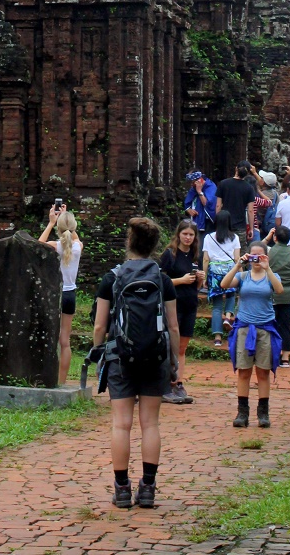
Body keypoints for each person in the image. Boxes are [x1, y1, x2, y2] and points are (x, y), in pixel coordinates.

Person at [92, 218, 180, 509]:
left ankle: (121, 489)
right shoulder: (162, 278)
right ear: (155, 246)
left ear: (128, 241)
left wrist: (98, 353)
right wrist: (174, 363)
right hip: (156, 357)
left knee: (121, 424)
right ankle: (148, 489)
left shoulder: (112, 278)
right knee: (150, 423)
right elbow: (173, 326)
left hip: (121, 357)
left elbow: (99, 327)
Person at [221, 240, 284, 428]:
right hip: (244, 328)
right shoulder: (243, 276)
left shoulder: (271, 276)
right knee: (244, 371)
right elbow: (224, 284)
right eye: (253, 256)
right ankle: (242, 412)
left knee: (263, 372)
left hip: (265, 328)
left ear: (266, 256)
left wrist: (268, 268)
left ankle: (263, 413)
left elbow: (279, 290)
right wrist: (239, 264)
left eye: (260, 255)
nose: (256, 260)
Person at [160, 220, 205, 403]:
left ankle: (178, 382)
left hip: (190, 303)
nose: (188, 238)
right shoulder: (169, 255)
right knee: (170, 343)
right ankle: (167, 382)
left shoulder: (195, 255)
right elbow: (161, 281)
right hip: (173, 302)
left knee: (182, 346)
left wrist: (200, 279)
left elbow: (197, 286)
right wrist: (181, 280)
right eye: (185, 234)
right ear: (178, 234)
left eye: (191, 235)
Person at [39, 203, 84, 384]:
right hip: (69, 295)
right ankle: (61, 381)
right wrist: (66, 220)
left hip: (54, 295)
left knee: (49, 336)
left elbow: (36, 245)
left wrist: (51, 223)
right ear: (73, 228)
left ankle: (46, 377)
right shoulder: (78, 247)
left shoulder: (54, 246)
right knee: (64, 341)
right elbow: (76, 238)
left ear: (58, 229)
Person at [202, 210, 241, 348]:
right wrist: (241, 273)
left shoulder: (208, 238)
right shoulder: (234, 237)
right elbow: (237, 258)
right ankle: (229, 316)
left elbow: (206, 258)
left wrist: (204, 276)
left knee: (217, 305)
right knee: (231, 296)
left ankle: (217, 337)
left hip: (215, 272)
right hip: (230, 271)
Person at [267, 225, 290, 367]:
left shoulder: (269, 252)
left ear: (275, 237)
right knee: (285, 326)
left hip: (271, 294)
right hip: (288, 295)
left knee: (270, 325)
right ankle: (285, 357)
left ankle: (271, 354)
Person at [215, 162, 255, 253]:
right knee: (240, 252)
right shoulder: (249, 188)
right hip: (240, 225)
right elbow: (250, 210)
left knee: (223, 250)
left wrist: (217, 222)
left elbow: (218, 205)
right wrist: (251, 228)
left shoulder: (223, 184)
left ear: (236, 169)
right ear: (248, 173)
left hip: (224, 223)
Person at [183, 171, 217, 258]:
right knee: (195, 244)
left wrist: (199, 191)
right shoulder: (193, 188)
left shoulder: (211, 187)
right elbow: (187, 202)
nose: (191, 185)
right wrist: (188, 210)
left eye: (192, 182)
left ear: (200, 180)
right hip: (197, 220)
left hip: (208, 222)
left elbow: (207, 203)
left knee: (204, 246)